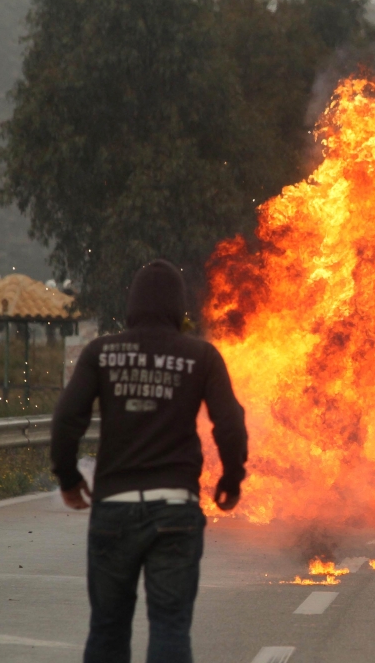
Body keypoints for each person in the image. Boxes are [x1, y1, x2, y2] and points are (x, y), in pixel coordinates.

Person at [51, 260, 248, 663]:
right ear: (179, 308)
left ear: (132, 305)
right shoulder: (201, 356)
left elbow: (67, 418)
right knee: (170, 626)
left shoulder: (101, 353)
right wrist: (231, 477)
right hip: (175, 511)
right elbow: (229, 423)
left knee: (107, 628)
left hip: (113, 511)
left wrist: (68, 479)